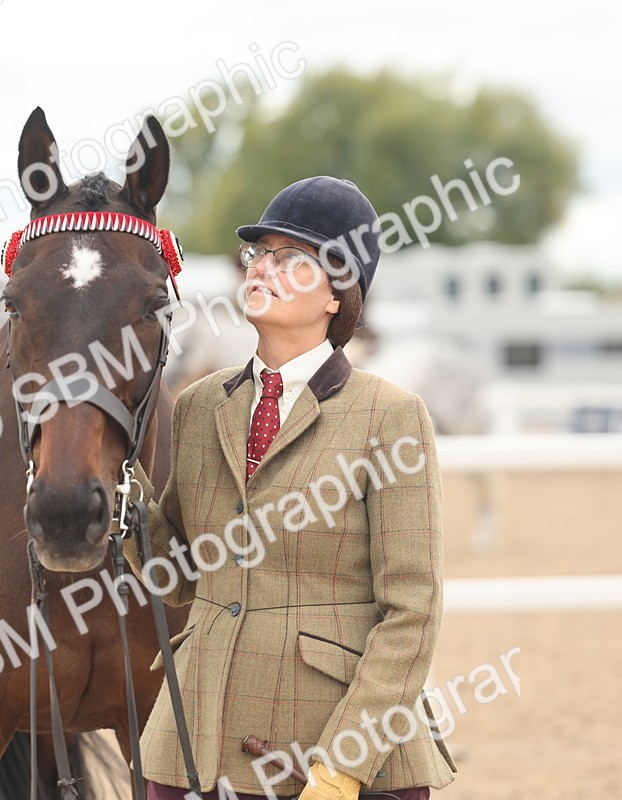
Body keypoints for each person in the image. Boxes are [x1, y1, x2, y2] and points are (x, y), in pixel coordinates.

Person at [121, 177, 457, 799]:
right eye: (258, 253)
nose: (262, 268)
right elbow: (183, 575)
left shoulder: (391, 416)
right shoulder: (197, 405)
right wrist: (122, 491)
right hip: (193, 736)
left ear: (338, 292)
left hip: (328, 745)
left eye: (291, 258)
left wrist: (344, 764)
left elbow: (412, 610)